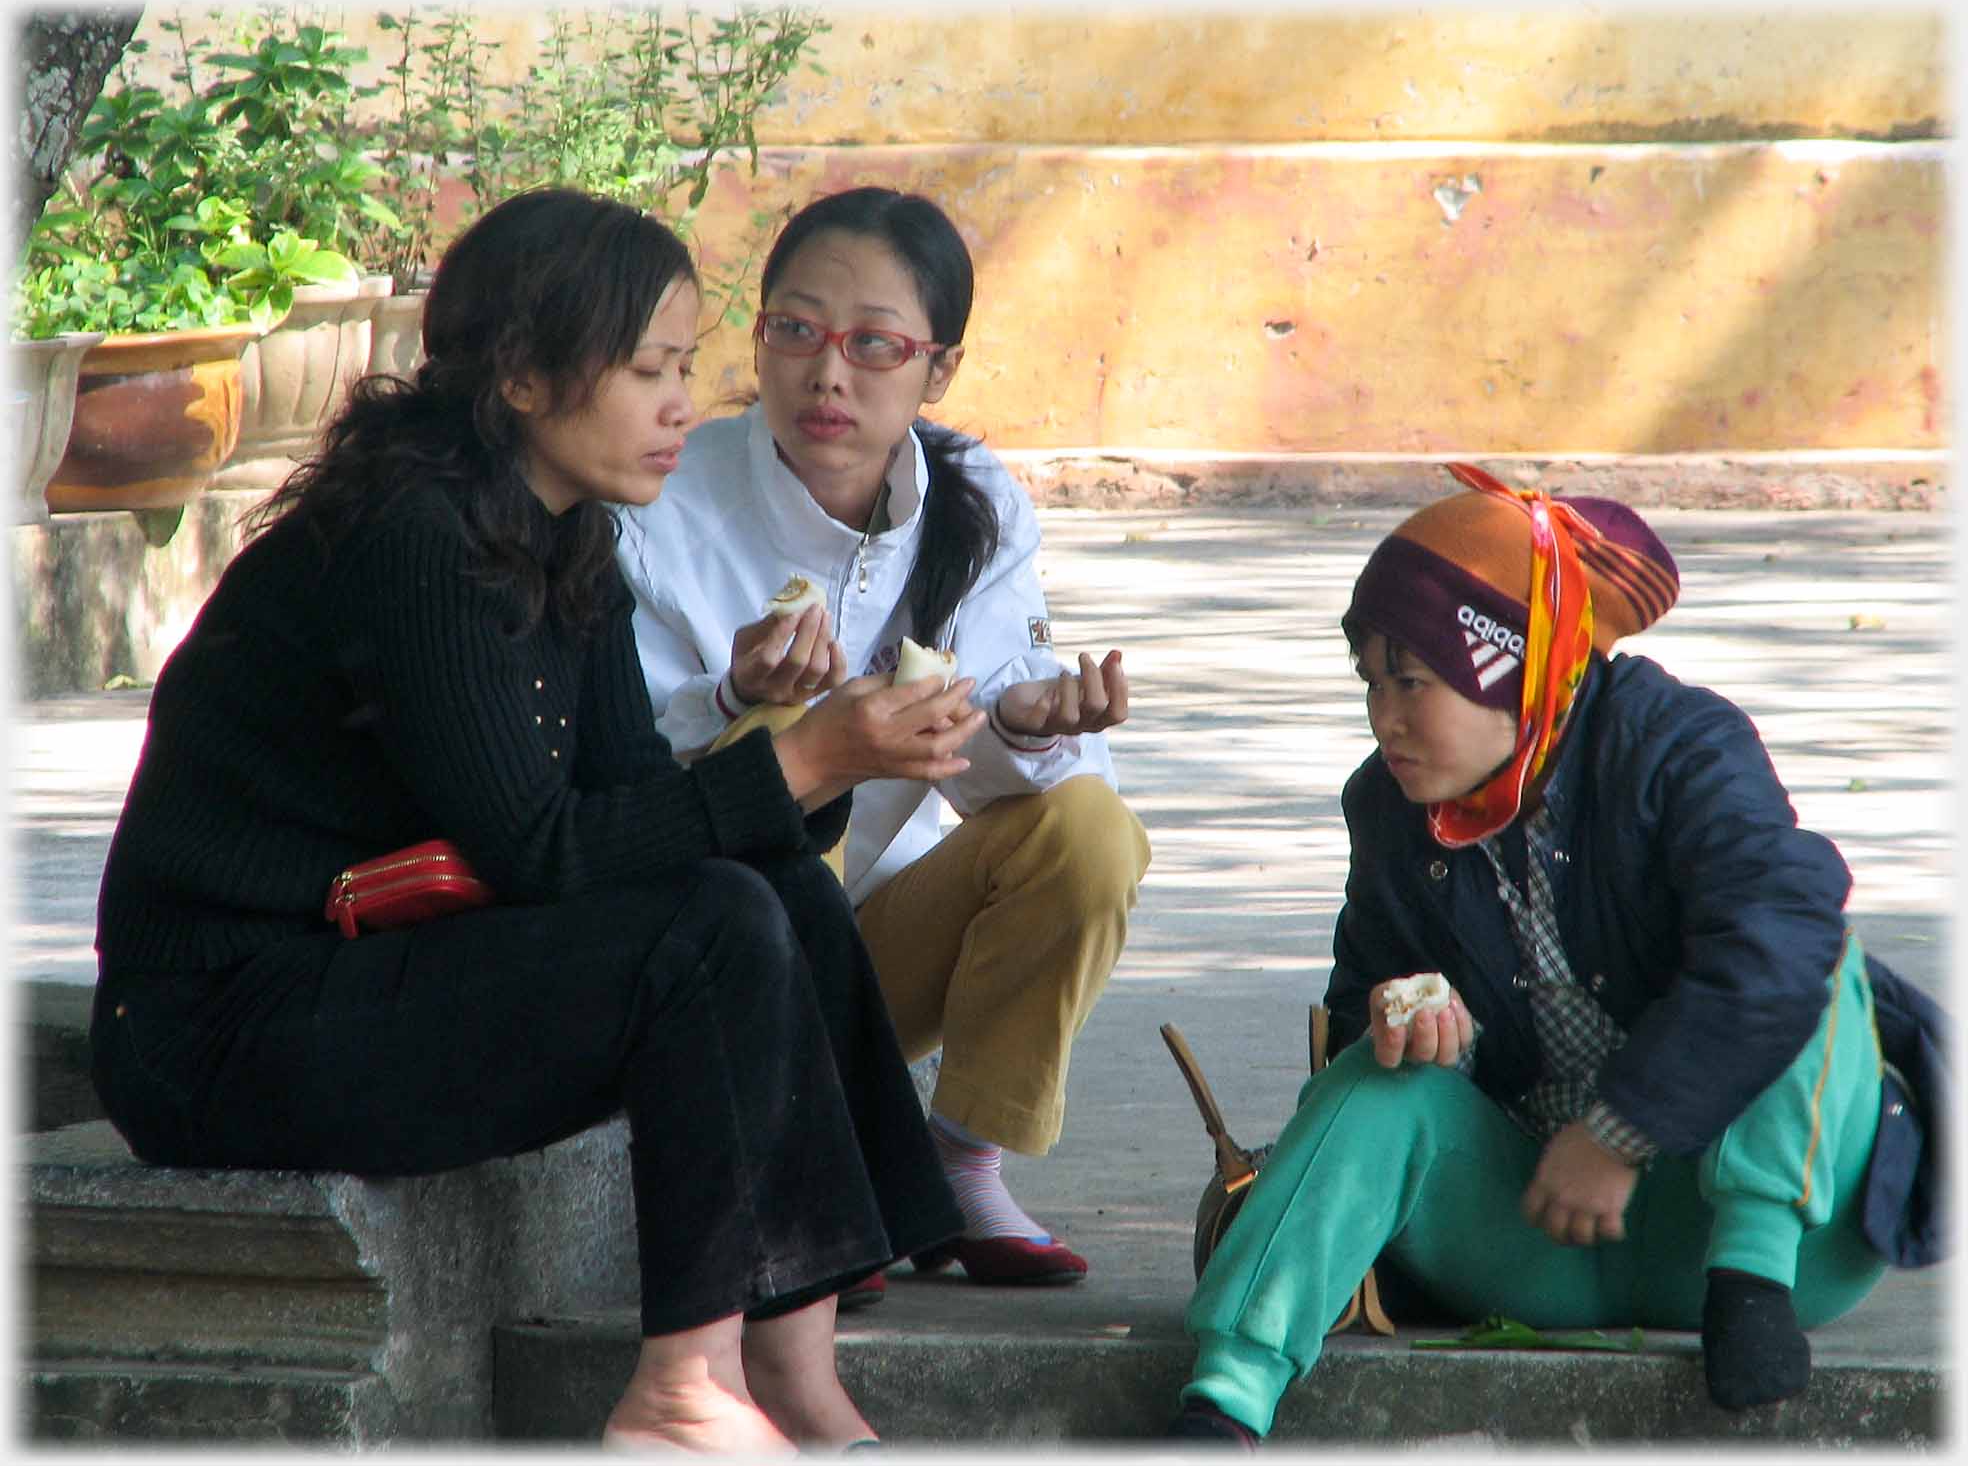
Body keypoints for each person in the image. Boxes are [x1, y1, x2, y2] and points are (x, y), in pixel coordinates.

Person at [87, 186, 981, 1454]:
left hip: (371, 969)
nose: (684, 403)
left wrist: (826, 758)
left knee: (774, 890)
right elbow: (546, 853)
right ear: (520, 375)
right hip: (224, 1024)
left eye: (684, 366)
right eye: (646, 369)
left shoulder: (569, 537)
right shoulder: (418, 542)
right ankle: (680, 1392)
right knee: (715, 916)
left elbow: (630, 805)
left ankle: (795, 1372)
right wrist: (799, 761)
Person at [1166, 466, 1948, 1446]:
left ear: (1516, 668)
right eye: (1370, 680)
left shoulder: (1676, 747)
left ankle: (1750, 1277)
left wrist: (1622, 1132)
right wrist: (1400, 1015)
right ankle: (1225, 1404)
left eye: (1412, 679)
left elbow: (1778, 950)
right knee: (1376, 1084)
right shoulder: (1386, 807)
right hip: (1536, 1233)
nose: (1384, 717)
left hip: (1763, 1246)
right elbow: (1362, 994)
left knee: (1805, 950)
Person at [616, 186, 1151, 1289]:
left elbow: (995, 742)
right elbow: (613, 775)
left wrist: (1019, 718)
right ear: (757, 336)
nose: (828, 374)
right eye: (796, 331)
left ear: (937, 370)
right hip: (700, 966)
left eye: (874, 345)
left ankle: (956, 1160)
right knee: (778, 730)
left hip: (872, 949)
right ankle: (801, 1168)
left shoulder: (977, 498)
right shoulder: (662, 495)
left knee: (1088, 828)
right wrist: (735, 702)